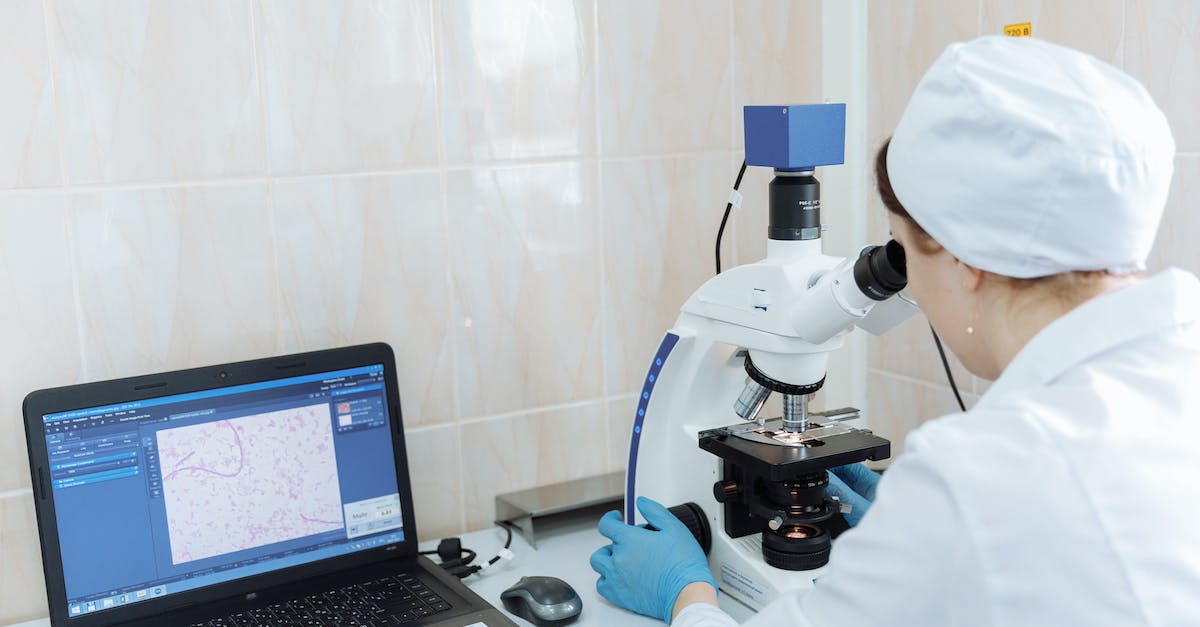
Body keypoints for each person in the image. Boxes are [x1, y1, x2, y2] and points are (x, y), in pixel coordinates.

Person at [590, 35, 1200, 626]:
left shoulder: (979, 481)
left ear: (965, 260)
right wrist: (909, 546)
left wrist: (686, 596)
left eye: (902, 255)